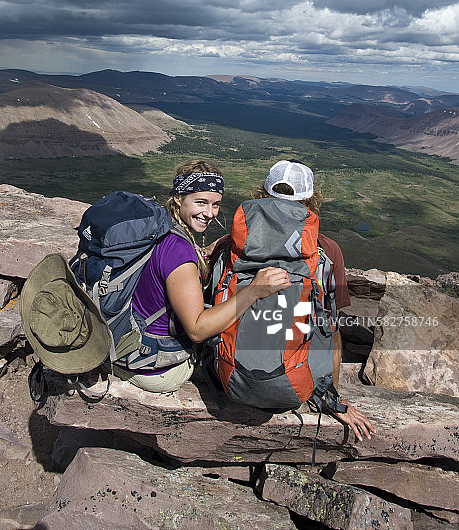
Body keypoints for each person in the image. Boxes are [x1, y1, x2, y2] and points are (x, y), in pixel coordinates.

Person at [112, 159, 291, 393]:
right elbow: (197, 330)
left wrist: (204, 254)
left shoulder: (159, 226)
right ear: (178, 198)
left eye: (215, 204)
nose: (209, 213)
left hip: (129, 342)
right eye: (201, 202)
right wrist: (254, 291)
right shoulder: (179, 251)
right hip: (155, 368)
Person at [252, 159, 375, 441]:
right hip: (298, 383)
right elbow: (330, 329)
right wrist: (331, 397)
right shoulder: (327, 252)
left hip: (237, 375)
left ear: (262, 196)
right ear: (310, 201)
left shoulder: (234, 246)